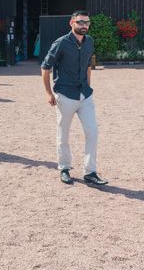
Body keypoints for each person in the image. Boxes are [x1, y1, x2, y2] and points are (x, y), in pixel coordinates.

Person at [41, 10, 108, 186]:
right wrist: (48, 93)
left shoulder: (90, 42)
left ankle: (90, 172)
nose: (83, 25)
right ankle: (64, 168)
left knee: (92, 132)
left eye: (86, 22)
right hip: (65, 95)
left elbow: (87, 65)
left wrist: (88, 86)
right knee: (63, 134)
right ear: (72, 23)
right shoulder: (61, 43)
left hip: (85, 95)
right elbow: (45, 67)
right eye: (80, 22)